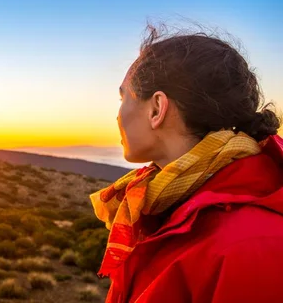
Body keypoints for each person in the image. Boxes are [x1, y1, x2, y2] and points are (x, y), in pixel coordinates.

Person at [90, 27, 283, 303]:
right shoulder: (166, 205)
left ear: (157, 109)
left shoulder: (248, 248)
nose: (118, 115)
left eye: (124, 98)